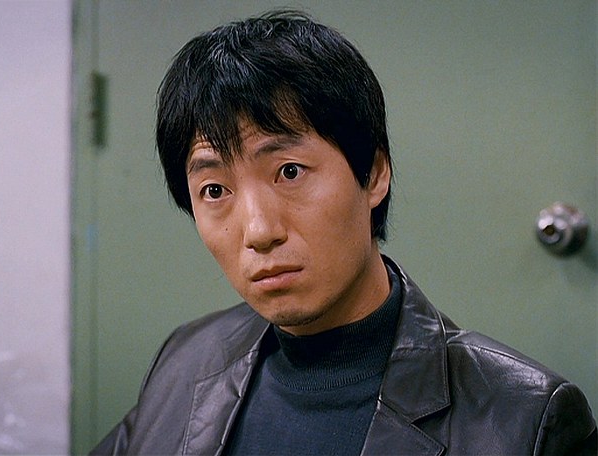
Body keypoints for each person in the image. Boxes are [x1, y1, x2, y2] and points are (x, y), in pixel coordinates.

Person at [91, 10, 597, 455]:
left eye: (289, 172)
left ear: (373, 174)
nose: (259, 232)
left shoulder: (525, 418)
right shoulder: (186, 358)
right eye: (215, 190)